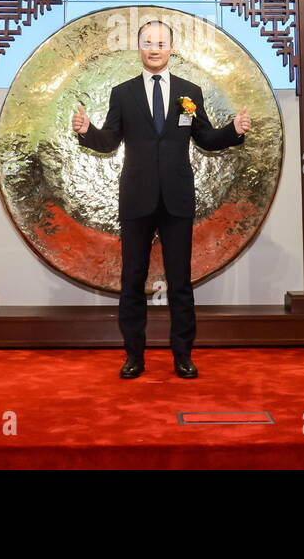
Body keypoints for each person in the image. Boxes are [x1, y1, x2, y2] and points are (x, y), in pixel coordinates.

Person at [72, 19, 250, 379]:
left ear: (172, 48)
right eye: (147, 42)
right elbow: (109, 140)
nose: (154, 48)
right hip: (136, 197)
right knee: (132, 279)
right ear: (139, 48)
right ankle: (134, 355)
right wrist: (87, 131)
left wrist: (233, 130)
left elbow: (206, 139)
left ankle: (183, 355)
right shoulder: (123, 93)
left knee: (181, 282)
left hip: (177, 197)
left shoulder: (190, 92)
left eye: (161, 42)